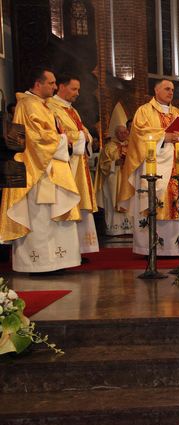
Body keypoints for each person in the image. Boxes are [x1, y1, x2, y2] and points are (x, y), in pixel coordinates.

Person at [0, 67, 81, 273]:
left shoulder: (42, 105)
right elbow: (35, 138)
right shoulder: (28, 105)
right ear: (38, 84)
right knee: (41, 218)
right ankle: (41, 263)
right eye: (51, 83)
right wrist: (64, 140)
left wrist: (66, 138)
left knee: (51, 218)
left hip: (50, 167)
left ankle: (56, 262)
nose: (55, 87)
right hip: (37, 171)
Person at [117, 79, 179, 256]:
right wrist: (164, 137)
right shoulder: (144, 111)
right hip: (154, 166)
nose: (170, 92)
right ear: (156, 90)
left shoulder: (177, 112)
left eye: (172, 90)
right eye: (167, 89)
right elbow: (139, 135)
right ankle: (151, 248)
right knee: (154, 201)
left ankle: (176, 247)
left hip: (177, 164)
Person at [47, 74, 99, 254]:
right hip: (66, 164)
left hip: (79, 163)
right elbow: (61, 134)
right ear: (61, 87)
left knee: (82, 204)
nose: (77, 93)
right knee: (70, 204)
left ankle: (82, 249)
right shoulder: (51, 107)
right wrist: (81, 137)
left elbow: (82, 131)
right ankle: (70, 249)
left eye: (78, 89)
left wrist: (85, 136)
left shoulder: (72, 110)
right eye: (74, 89)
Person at [94, 124, 132, 236]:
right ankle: (114, 229)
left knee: (129, 202)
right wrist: (115, 163)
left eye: (126, 132)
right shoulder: (109, 147)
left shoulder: (131, 146)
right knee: (112, 203)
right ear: (116, 134)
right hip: (113, 179)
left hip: (128, 179)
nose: (124, 134)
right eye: (121, 132)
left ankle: (129, 228)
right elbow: (103, 164)